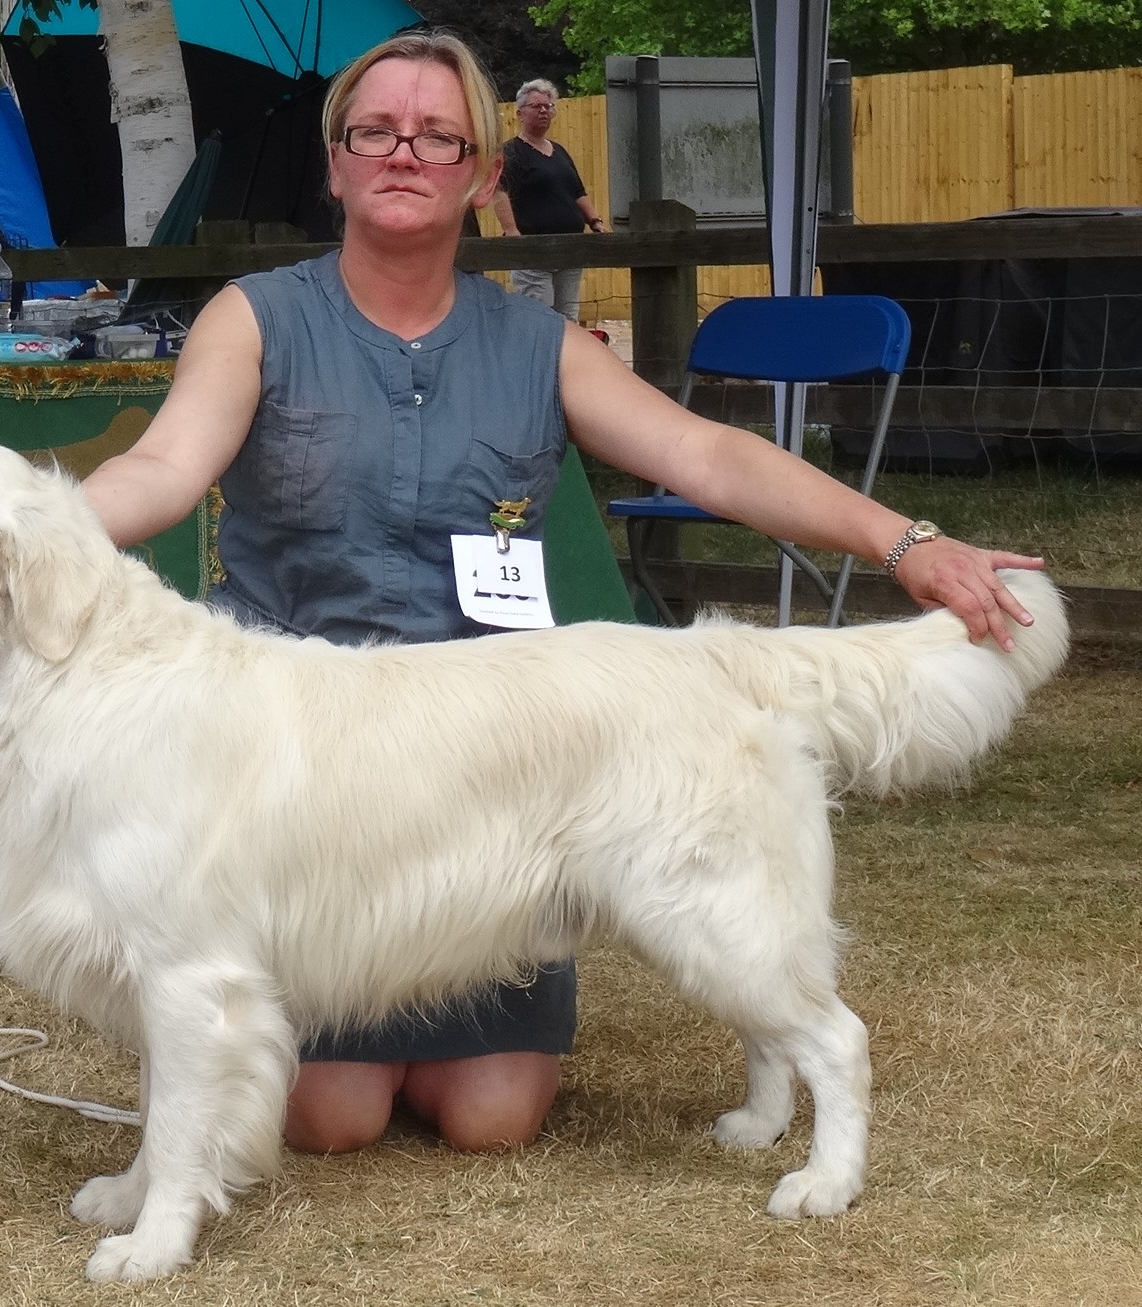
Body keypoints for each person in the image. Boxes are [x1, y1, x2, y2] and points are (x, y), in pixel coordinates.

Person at [78, 29, 1044, 1158]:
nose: (403, 153)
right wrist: (29, 529)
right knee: (331, 1117)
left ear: (484, 175)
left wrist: (904, 542)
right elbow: (163, 467)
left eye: (437, 136)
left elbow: (707, 455)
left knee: (492, 1117)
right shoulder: (253, 317)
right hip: (302, 779)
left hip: (498, 765)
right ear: (335, 164)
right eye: (374, 132)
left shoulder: (540, 345)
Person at [489, 78, 604, 323]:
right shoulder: (511, 152)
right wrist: (511, 230)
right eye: (536, 106)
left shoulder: (559, 152)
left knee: (568, 319)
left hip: (569, 250)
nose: (543, 111)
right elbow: (499, 192)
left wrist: (595, 221)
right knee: (538, 318)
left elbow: (578, 192)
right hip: (534, 252)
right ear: (520, 113)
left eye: (548, 106)